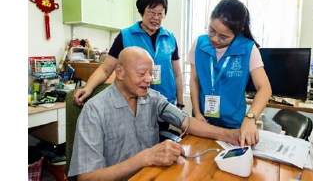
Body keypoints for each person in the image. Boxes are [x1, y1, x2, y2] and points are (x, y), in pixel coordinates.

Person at [68, 47, 240, 180]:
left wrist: (229, 135)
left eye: (151, 74)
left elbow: (185, 121)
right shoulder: (94, 111)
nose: (149, 79)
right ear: (120, 73)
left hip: (152, 175)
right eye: (142, 73)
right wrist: (146, 157)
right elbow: (87, 177)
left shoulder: (152, 98)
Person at [72, 0, 184, 131]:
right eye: (151, 12)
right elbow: (106, 68)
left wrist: (180, 104)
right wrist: (88, 87)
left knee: (162, 144)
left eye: (160, 14)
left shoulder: (170, 38)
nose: (156, 18)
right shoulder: (125, 36)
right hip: (134, 105)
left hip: (164, 104)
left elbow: (177, 74)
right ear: (141, 11)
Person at [187, 0, 272, 147]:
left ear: (238, 33)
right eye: (211, 30)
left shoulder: (248, 49)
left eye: (223, 37)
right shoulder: (199, 44)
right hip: (203, 123)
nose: (214, 39)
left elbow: (265, 88)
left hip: (234, 127)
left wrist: (250, 118)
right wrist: (198, 113)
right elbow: (194, 80)